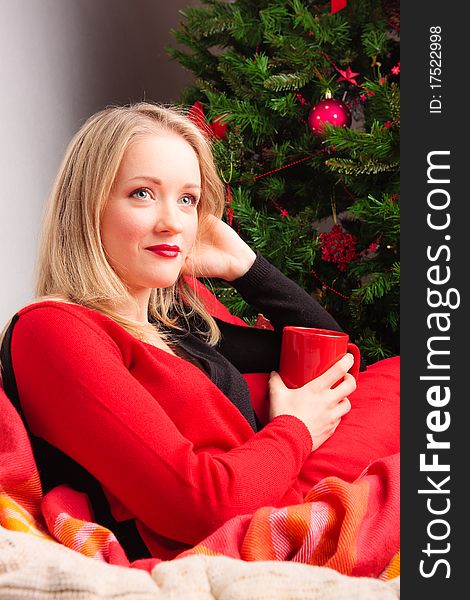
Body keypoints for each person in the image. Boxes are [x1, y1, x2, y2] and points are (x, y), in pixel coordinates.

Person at [1, 102, 359, 561]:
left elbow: (329, 354)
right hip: (213, 534)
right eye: (142, 193)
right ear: (87, 209)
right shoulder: (54, 330)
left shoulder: (173, 324)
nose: (172, 221)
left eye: (188, 200)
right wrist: (297, 427)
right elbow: (202, 505)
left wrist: (245, 267)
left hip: (268, 497)